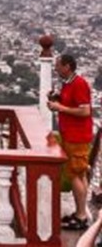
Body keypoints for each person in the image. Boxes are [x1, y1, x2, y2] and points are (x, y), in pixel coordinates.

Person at [48, 53, 94, 231]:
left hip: (78, 136)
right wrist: (57, 100)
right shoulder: (68, 83)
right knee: (78, 174)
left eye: (59, 66)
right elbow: (71, 104)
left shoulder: (79, 84)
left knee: (75, 175)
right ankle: (79, 212)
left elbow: (85, 111)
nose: (56, 69)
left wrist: (60, 108)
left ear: (67, 66)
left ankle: (81, 215)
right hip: (69, 134)